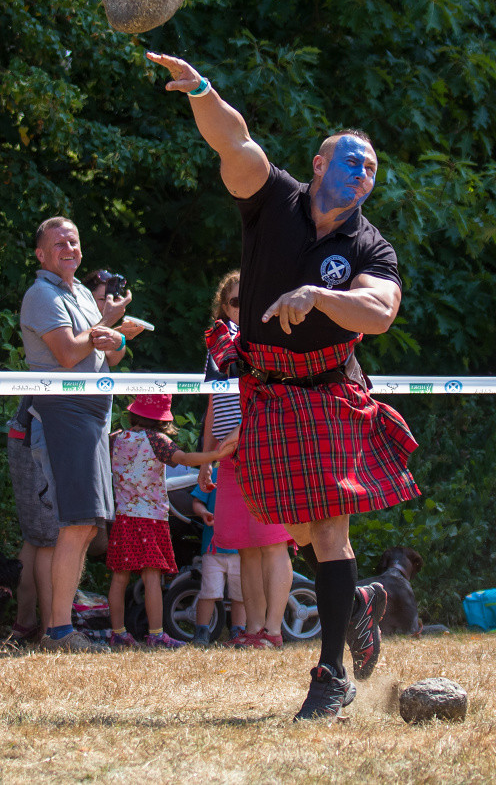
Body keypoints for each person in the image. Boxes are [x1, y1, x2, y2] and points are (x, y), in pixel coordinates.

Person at [147, 52, 420, 720]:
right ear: (320, 165)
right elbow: (234, 142)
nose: (363, 173)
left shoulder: (369, 245)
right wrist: (202, 90)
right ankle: (358, 599)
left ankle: (330, 676)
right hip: (265, 390)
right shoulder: (273, 200)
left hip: (327, 391)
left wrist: (321, 296)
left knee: (326, 527)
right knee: (292, 522)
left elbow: (380, 310)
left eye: (372, 169)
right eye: (352, 161)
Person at [20, 216, 132, 652]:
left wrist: (117, 336)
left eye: (74, 241)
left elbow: (109, 355)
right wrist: (105, 325)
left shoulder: (83, 292)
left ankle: (62, 628)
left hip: (94, 415)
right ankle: (60, 631)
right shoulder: (40, 294)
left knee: (87, 528)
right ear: (41, 254)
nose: (69, 248)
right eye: (59, 243)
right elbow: (68, 353)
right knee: (76, 523)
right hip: (63, 413)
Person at [197, 271, 293, 650]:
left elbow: (275, 395)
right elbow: (213, 405)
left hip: (265, 451)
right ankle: (252, 630)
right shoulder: (217, 344)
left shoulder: (267, 338)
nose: (241, 308)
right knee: (245, 548)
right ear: (223, 306)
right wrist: (206, 459)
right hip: (228, 459)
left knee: (273, 544)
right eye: (235, 302)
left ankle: (273, 630)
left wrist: (241, 432)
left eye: (247, 300)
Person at [107, 393, 236, 649]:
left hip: (123, 517)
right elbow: (185, 459)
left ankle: (117, 633)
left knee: (119, 577)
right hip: (150, 519)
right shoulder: (157, 440)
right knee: (152, 578)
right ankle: (156, 635)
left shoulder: (116, 438)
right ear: (162, 419)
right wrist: (214, 455)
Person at [6, 397, 58, 643]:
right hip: (40, 439)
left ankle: (26, 623)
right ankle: (52, 631)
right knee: (48, 540)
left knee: (34, 538)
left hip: (25, 434)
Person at [190, 478, 246, 647]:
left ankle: (238, 630)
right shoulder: (213, 475)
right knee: (209, 592)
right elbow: (197, 501)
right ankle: (201, 631)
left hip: (241, 550)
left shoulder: (247, 475)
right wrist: (204, 513)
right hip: (213, 548)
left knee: (240, 595)